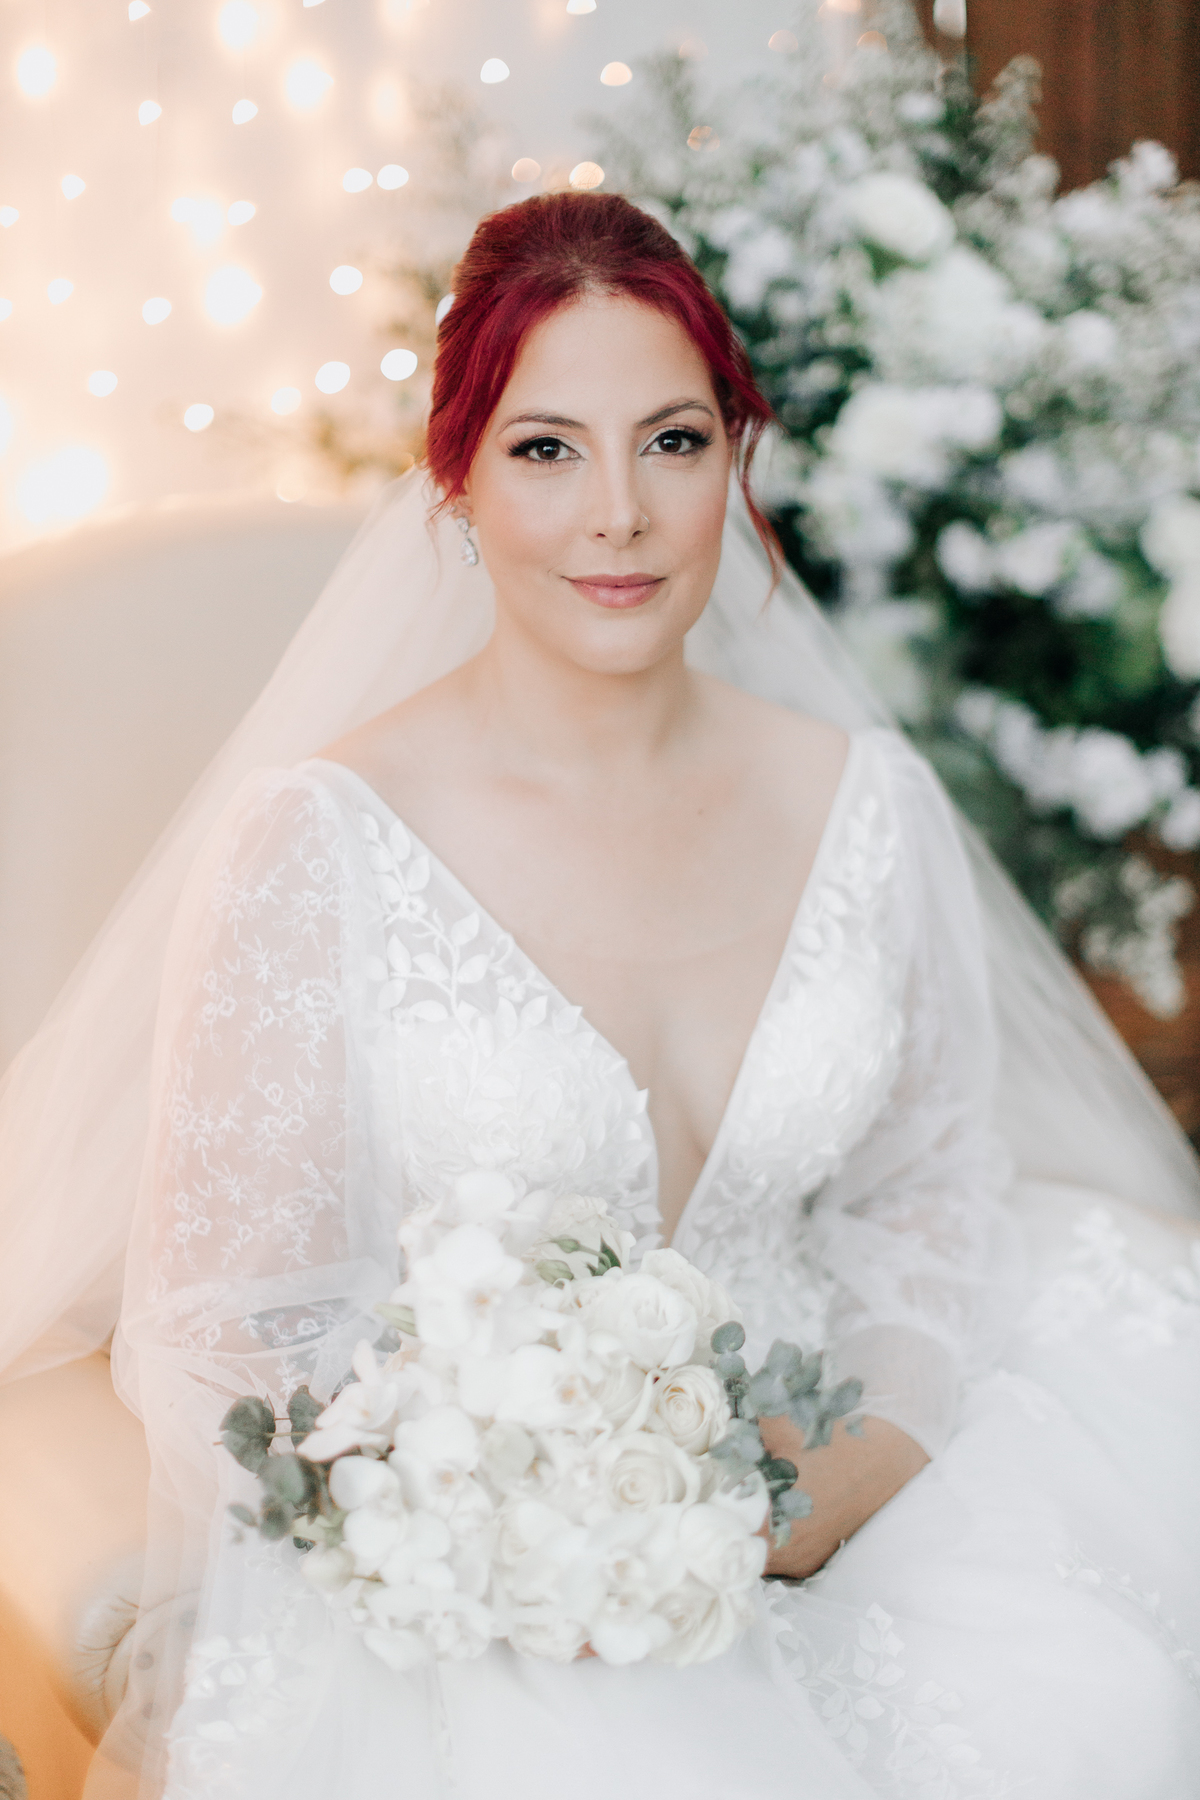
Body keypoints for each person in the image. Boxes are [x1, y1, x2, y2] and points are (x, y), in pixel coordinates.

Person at [4, 193, 1200, 1798]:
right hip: (496, 1561)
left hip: (848, 1478)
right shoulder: (322, 840)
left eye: (674, 443)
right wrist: (515, 1518)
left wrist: (842, 1474)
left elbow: (928, 1186)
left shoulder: (867, 801)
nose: (620, 515)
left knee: (1092, 1705)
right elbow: (238, 1317)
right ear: (458, 483)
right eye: (547, 450)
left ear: (736, 461)